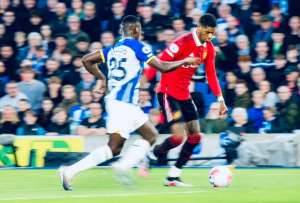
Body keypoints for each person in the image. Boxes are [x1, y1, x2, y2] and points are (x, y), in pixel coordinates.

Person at [59, 15, 201, 191]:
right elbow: (163, 67)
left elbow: (86, 59)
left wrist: (102, 78)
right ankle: (71, 171)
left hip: (124, 104)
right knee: (113, 148)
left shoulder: (112, 49)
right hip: (122, 104)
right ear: (135, 30)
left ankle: (123, 166)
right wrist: (185, 60)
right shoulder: (138, 47)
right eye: (139, 30)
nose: (140, 33)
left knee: (151, 135)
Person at [146, 13, 227, 187]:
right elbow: (159, 62)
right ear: (199, 27)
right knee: (177, 138)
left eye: (212, 33)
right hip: (167, 93)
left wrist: (220, 99)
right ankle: (151, 155)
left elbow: (211, 75)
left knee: (195, 137)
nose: (210, 36)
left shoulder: (209, 48)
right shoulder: (182, 42)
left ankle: (173, 176)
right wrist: (145, 84)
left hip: (184, 95)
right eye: (207, 32)